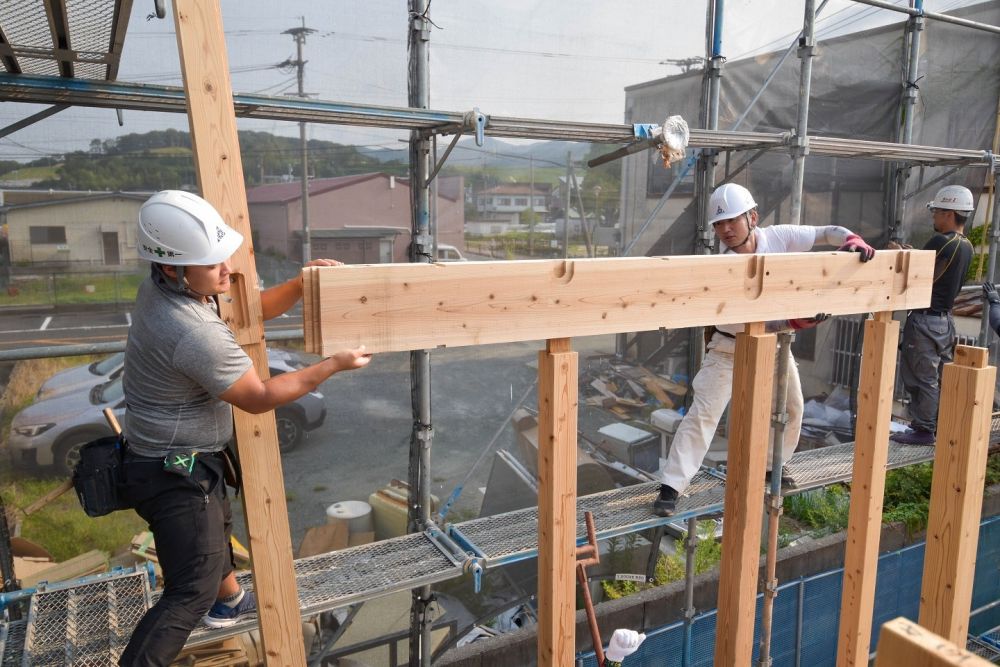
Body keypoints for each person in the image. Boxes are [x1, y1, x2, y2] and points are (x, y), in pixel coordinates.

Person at [118, 190, 371, 666]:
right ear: (173, 267)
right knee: (189, 589)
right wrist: (331, 365)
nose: (227, 268)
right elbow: (259, 397)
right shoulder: (189, 329)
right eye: (212, 262)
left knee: (214, 527)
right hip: (169, 470)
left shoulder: (169, 287)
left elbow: (249, 306)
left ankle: (229, 600)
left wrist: (299, 284)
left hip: (180, 457)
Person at [652, 183, 876, 517]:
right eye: (719, 224)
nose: (725, 230)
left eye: (732, 221)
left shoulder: (779, 237)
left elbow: (824, 233)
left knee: (793, 406)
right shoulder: (723, 267)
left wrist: (851, 239)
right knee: (704, 414)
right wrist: (792, 322)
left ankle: (775, 466)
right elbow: (745, 322)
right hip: (728, 348)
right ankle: (671, 487)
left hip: (774, 347)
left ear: (752, 217)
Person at [890, 185, 974, 446]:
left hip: (926, 320)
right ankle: (932, 424)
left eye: (937, 212)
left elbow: (919, 275)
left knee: (920, 376)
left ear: (949, 213)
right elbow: (936, 270)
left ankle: (924, 430)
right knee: (937, 376)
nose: (934, 217)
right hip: (945, 321)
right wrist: (912, 254)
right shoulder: (966, 245)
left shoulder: (941, 241)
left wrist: (898, 253)